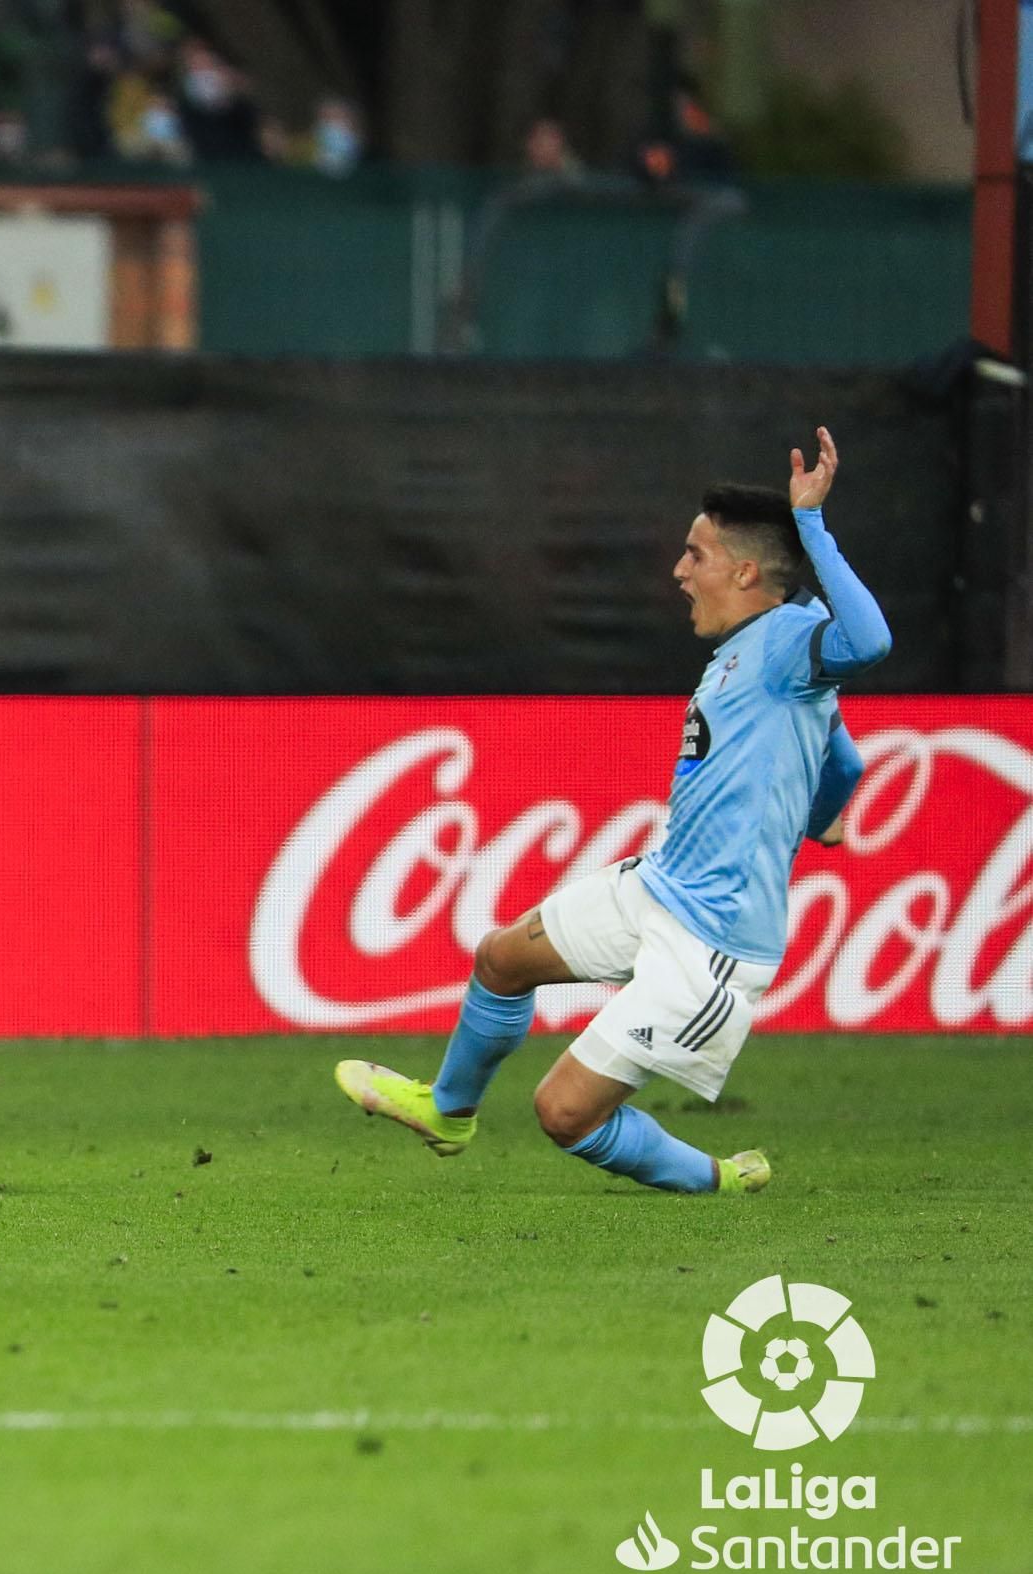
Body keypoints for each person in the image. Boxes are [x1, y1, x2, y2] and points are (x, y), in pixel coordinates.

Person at [337, 428, 886, 1195]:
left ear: (746, 568)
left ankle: (722, 1178)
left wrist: (814, 524)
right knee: (501, 958)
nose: (679, 571)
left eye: (695, 554)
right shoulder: (748, 652)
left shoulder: (794, 643)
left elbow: (871, 639)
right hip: (657, 887)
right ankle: (447, 1110)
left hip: (711, 944)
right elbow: (848, 760)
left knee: (563, 1112)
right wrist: (825, 816)